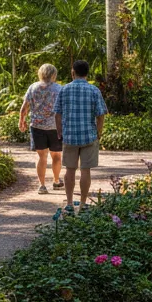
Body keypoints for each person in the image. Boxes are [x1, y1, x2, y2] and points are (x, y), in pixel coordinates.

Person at [54, 59, 107, 211]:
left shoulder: (64, 90)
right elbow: (101, 114)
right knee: (86, 170)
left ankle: (70, 203)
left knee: (70, 170)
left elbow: (57, 113)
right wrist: (99, 132)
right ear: (87, 73)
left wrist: (60, 131)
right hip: (89, 136)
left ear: (73, 72)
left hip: (69, 135)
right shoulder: (94, 90)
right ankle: (83, 204)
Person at [19, 63, 63, 194]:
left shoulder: (33, 87)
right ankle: (56, 181)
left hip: (37, 126)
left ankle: (42, 186)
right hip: (55, 127)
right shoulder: (58, 89)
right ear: (54, 74)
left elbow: (24, 107)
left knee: (41, 156)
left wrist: (21, 121)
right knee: (56, 156)